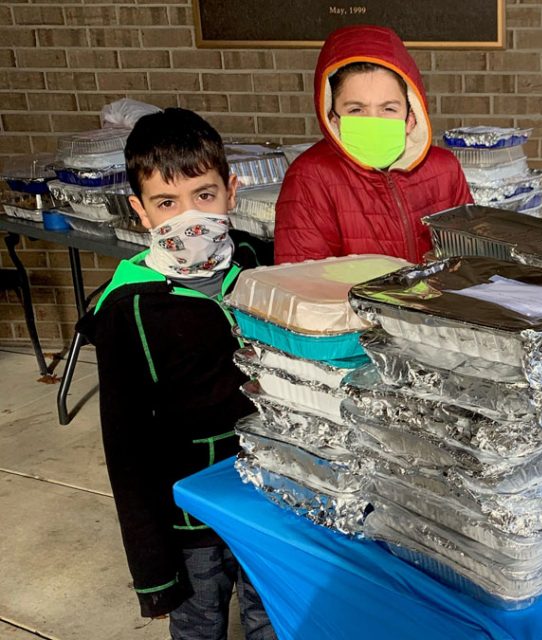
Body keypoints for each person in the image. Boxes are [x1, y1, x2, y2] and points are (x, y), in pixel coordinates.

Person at [76, 108, 276, 640]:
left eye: (204, 195)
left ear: (232, 191)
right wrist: (154, 576)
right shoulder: (129, 309)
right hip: (190, 527)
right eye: (168, 203)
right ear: (141, 212)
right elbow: (126, 447)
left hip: (268, 501)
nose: (189, 216)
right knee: (199, 625)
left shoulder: (261, 266)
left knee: (271, 618)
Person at [274, 25, 473, 265]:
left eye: (388, 108)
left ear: (411, 117)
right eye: (356, 110)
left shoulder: (444, 169)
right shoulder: (310, 177)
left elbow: (470, 262)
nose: (373, 121)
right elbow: (303, 287)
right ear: (333, 119)